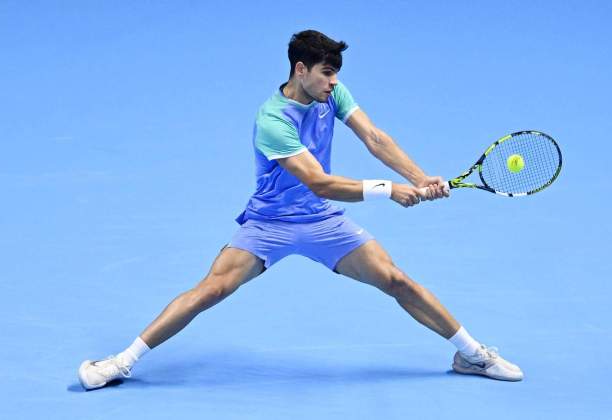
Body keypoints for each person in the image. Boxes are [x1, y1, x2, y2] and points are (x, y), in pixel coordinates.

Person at [78, 30, 523, 390]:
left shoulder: (333, 94)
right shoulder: (273, 120)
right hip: (269, 223)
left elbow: (375, 138)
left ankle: (472, 356)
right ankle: (121, 361)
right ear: (300, 69)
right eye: (326, 73)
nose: (333, 82)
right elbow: (319, 181)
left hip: (322, 222)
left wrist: (422, 177)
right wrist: (389, 189)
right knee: (210, 290)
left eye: (336, 75)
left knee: (396, 280)